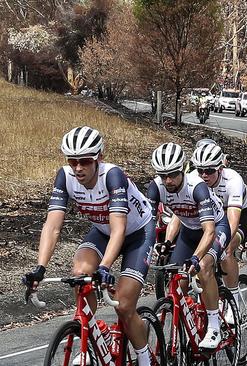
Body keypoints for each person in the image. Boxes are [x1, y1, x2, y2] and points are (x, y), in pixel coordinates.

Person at [23, 126, 156, 365]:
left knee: (124, 306)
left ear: (99, 158)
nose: (78, 168)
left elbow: (120, 230)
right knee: (80, 273)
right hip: (103, 231)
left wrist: (105, 267)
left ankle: (144, 357)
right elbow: (52, 227)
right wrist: (40, 268)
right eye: (72, 161)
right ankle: (90, 335)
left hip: (137, 233)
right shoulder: (65, 177)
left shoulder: (112, 176)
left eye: (85, 161)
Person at [147, 142, 231, 349]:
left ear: (183, 169)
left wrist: (195, 258)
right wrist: (162, 244)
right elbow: (147, 225)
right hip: (189, 230)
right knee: (178, 283)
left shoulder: (197, 187)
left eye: (173, 174)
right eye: (162, 175)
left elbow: (209, 231)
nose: (168, 181)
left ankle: (213, 327)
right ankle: (188, 326)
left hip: (215, 227)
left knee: (203, 268)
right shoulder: (156, 187)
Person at [189, 142, 247, 323]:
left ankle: (234, 301)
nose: (204, 175)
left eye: (210, 170)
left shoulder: (232, 180)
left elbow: (232, 222)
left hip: (240, 215)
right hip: (213, 217)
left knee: (226, 251)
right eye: (200, 170)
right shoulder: (193, 180)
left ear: (220, 168)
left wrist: (220, 246)